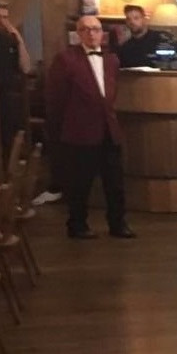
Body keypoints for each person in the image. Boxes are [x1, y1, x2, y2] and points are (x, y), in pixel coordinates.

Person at [45, 16, 135, 239]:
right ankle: (77, 225)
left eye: (95, 29)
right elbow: (56, 98)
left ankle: (118, 224)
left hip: (109, 130)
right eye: (85, 29)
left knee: (115, 182)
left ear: (102, 33)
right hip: (80, 131)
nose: (91, 33)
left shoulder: (112, 59)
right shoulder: (65, 59)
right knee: (80, 183)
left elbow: (111, 93)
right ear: (78, 34)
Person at [0, 0, 34, 164]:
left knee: (7, 140)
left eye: (5, 17)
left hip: (6, 98)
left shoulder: (9, 39)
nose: (1, 22)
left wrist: (18, 39)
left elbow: (26, 67)